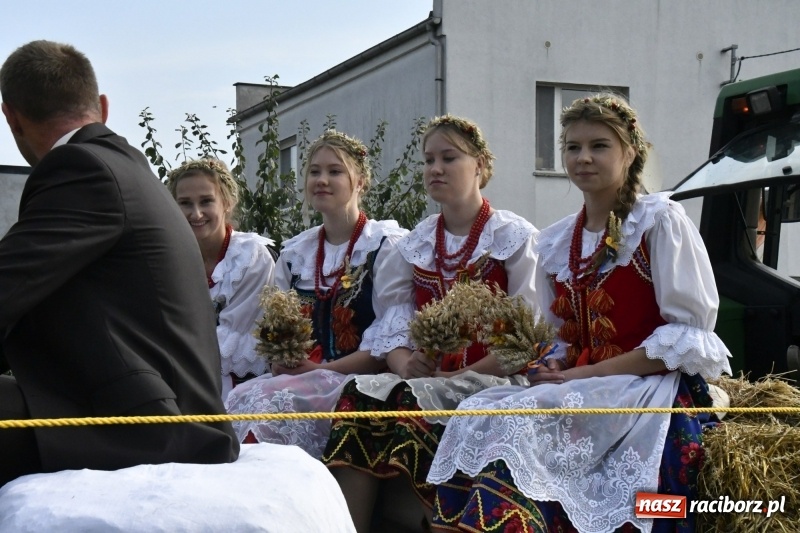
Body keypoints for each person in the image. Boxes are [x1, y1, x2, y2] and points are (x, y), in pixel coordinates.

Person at [426, 94, 733, 533]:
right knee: (478, 411)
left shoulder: (659, 221)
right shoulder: (557, 241)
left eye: (599, 146)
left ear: (630, 152)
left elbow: (685, 337)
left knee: (521, 424)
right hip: (583, 384)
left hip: (647, 386)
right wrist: (553, 364)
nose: (583, 157)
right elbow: (561, 337)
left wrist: (579, 375)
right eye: (573, 147)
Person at [0, 40, 239, 487]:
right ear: (103, 107)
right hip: (161, 412)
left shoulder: (80, 167)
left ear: (10, 117)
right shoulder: (125, 166)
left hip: (149, 427)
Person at [321, 115, 540, 532]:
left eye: (449, 158)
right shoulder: (416, 243)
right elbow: (394, 329)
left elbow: (524, 341)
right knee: (359, 396)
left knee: (410, 401)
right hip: (431, 382)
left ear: (480, 165)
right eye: (428, 160)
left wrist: (454, 375)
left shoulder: (512, 236)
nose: (435, 169)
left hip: (497, 380)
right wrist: (406, 363)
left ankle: (438, 520)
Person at [224, 130, 408, 458]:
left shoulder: (384, 246)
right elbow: (274, 331)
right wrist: (280, 359)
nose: (322, 180)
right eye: (314, 171)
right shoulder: (296, 254)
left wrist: (317, 371)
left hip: (362, 383)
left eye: (335, 171)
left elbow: (387, 344)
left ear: (360, 182)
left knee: (271, 401)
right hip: (302, 382)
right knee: (240, 399)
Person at [166, 158, 276, 401]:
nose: (196, 213)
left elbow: (235, 334)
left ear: (226, 203)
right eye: (185, 203)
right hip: (184, 376)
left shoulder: (251, 257)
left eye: (206, 201)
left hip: (241, 385)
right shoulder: (168, 258)